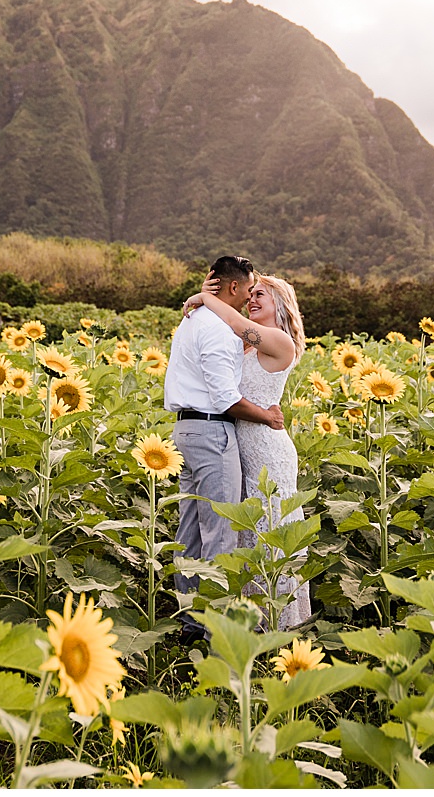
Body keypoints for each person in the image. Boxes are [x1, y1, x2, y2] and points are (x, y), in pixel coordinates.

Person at [162, 254, 284, 641]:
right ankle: (215, 632)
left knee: (191, 533)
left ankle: (191, 623)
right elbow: (225, 398)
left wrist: (201, 297)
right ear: (233, 287)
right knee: (220, 532)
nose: (250, 298)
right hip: (212, 433)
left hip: (187, 432)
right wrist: (266, 417)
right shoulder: (216, 328)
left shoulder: (195, 319)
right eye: (249, 289)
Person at [181, 270, 310, 629]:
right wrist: (203, 300)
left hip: (268, 449)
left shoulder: (281, 341)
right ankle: (248, 624)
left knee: (271, 528)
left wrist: (209, 298)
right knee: (245, 532)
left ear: (280, 305)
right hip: (239, 445)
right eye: (250, 294)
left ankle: (277, 625)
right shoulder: (247, 345)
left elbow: (233, 320)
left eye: (260, 296)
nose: (251, 299)